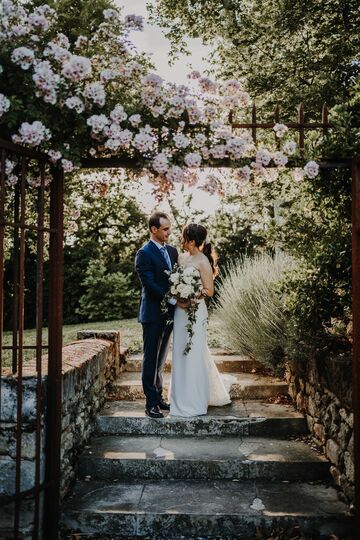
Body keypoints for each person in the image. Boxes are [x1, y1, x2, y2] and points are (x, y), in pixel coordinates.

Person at [169, 223, 232, 417]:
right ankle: (179, 399)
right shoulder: (180, 258)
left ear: (193, 240)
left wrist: (192, 295)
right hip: (180, 312)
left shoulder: (203, 261)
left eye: (185, 237)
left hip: (196, 312)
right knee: (180, 352)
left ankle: (194, 401)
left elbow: (209, 291)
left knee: (194, 352)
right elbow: (174, 282)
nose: (182, 240)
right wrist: (178, 296)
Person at [135, 212, 178, 418]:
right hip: (152, 314)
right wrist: (171, 299)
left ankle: (159, 396)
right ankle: (150, 403)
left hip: (170, 313)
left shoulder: (172, 251)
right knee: (150, 358)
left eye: (169, 228)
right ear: (154, 230)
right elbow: (149, 284)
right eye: (165, 229)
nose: (169, 232)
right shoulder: (143, 253)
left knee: (161, 359)